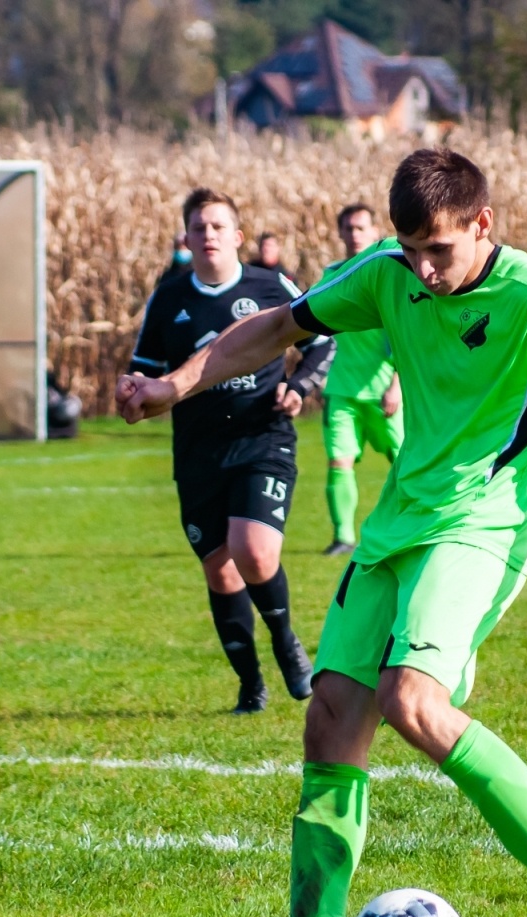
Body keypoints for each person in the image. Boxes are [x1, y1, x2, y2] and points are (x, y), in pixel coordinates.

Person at [117, 149, 527, 917]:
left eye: (439, 249)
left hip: (482, 527)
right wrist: (176, 384)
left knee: (411, 701)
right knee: (331, 717)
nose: (425, 270)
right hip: (397, 524)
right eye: (411, 251)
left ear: (483, 224)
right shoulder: (389, 274)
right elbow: (280, 326)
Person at [128, 188, 335, 714]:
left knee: (255, 551)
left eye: (219, 226)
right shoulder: (169, 297)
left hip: (262, 437)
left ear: (238, 236)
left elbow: (321, 342)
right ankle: (250, 684)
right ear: (186, 238)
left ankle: (286, 642)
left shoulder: (270, 285)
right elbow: (144, 369)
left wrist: (299, 387)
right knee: (220, 571)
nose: (209, 235)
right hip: (198, 449)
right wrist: (130, 390)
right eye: (199, 227)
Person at [317, 203, 403, 556]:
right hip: (341, 390)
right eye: (349, 228)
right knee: (339, 463)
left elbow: (404, 335)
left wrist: (397, 384)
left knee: (405, 463)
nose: (354, 234)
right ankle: (342, 537)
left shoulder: (388, 276)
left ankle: (413, 527)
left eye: (361, 228)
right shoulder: (330, 277)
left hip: (384, 391)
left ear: (375, 232)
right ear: (340, 233)